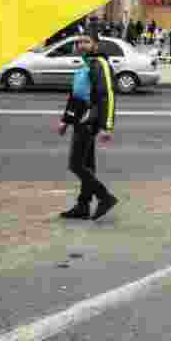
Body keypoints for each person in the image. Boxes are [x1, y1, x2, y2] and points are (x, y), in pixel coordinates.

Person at [56, 27, 118, 221]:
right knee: (86, 165)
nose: (82, 45)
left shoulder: (100, 64)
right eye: (79, 42)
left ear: (95, 44)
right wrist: (65, 120)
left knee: (76, 164)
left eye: (86, 41)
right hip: (79, 118)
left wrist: (107, 126)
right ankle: (83, 206)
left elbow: (107, 95)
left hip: (89, 121)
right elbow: (76, 95)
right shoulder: (85, 64)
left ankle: (105, 197)